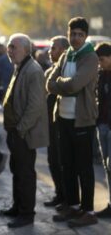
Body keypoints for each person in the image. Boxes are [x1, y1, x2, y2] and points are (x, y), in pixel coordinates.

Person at [47, 17, 98, 227]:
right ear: (68, 35)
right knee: (66, 165)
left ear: (85, 36)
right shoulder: (66, 55)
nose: (76, 38)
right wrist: (61, 84)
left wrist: (60, 83)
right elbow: (48, 82)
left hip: (82, 121)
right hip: (63, 118)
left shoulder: (90, 57)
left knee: (83, 167)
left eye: (80, 34)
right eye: (73, 34)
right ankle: (73, 205)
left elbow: (76, 85)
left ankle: (88, 210)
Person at [0, 33, 49, 228]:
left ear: (26, 50)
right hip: (16, 131)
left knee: (25, 173)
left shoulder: (33, 70)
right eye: (9, 47)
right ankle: (18, 207)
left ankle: (26, 213)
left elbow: (35, 106)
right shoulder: (20, 66)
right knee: (17, 170)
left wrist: (20, 129)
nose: (10, 51)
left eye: (14, 47)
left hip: (24, 133)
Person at [43, 36, 68, 208]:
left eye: (54, 48)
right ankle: (59, 194)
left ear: (63, 51)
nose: (50, 51)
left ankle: (68, 198)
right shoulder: (49, 71)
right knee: (52, 160)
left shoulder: (67, 72)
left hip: (62, 123)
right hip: (49, 124)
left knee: (63, 162)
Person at [94, 42, 111, 218]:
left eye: (102, 60)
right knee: (107, 167)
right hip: (103, 125)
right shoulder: (101, 74)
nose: (100, 63)